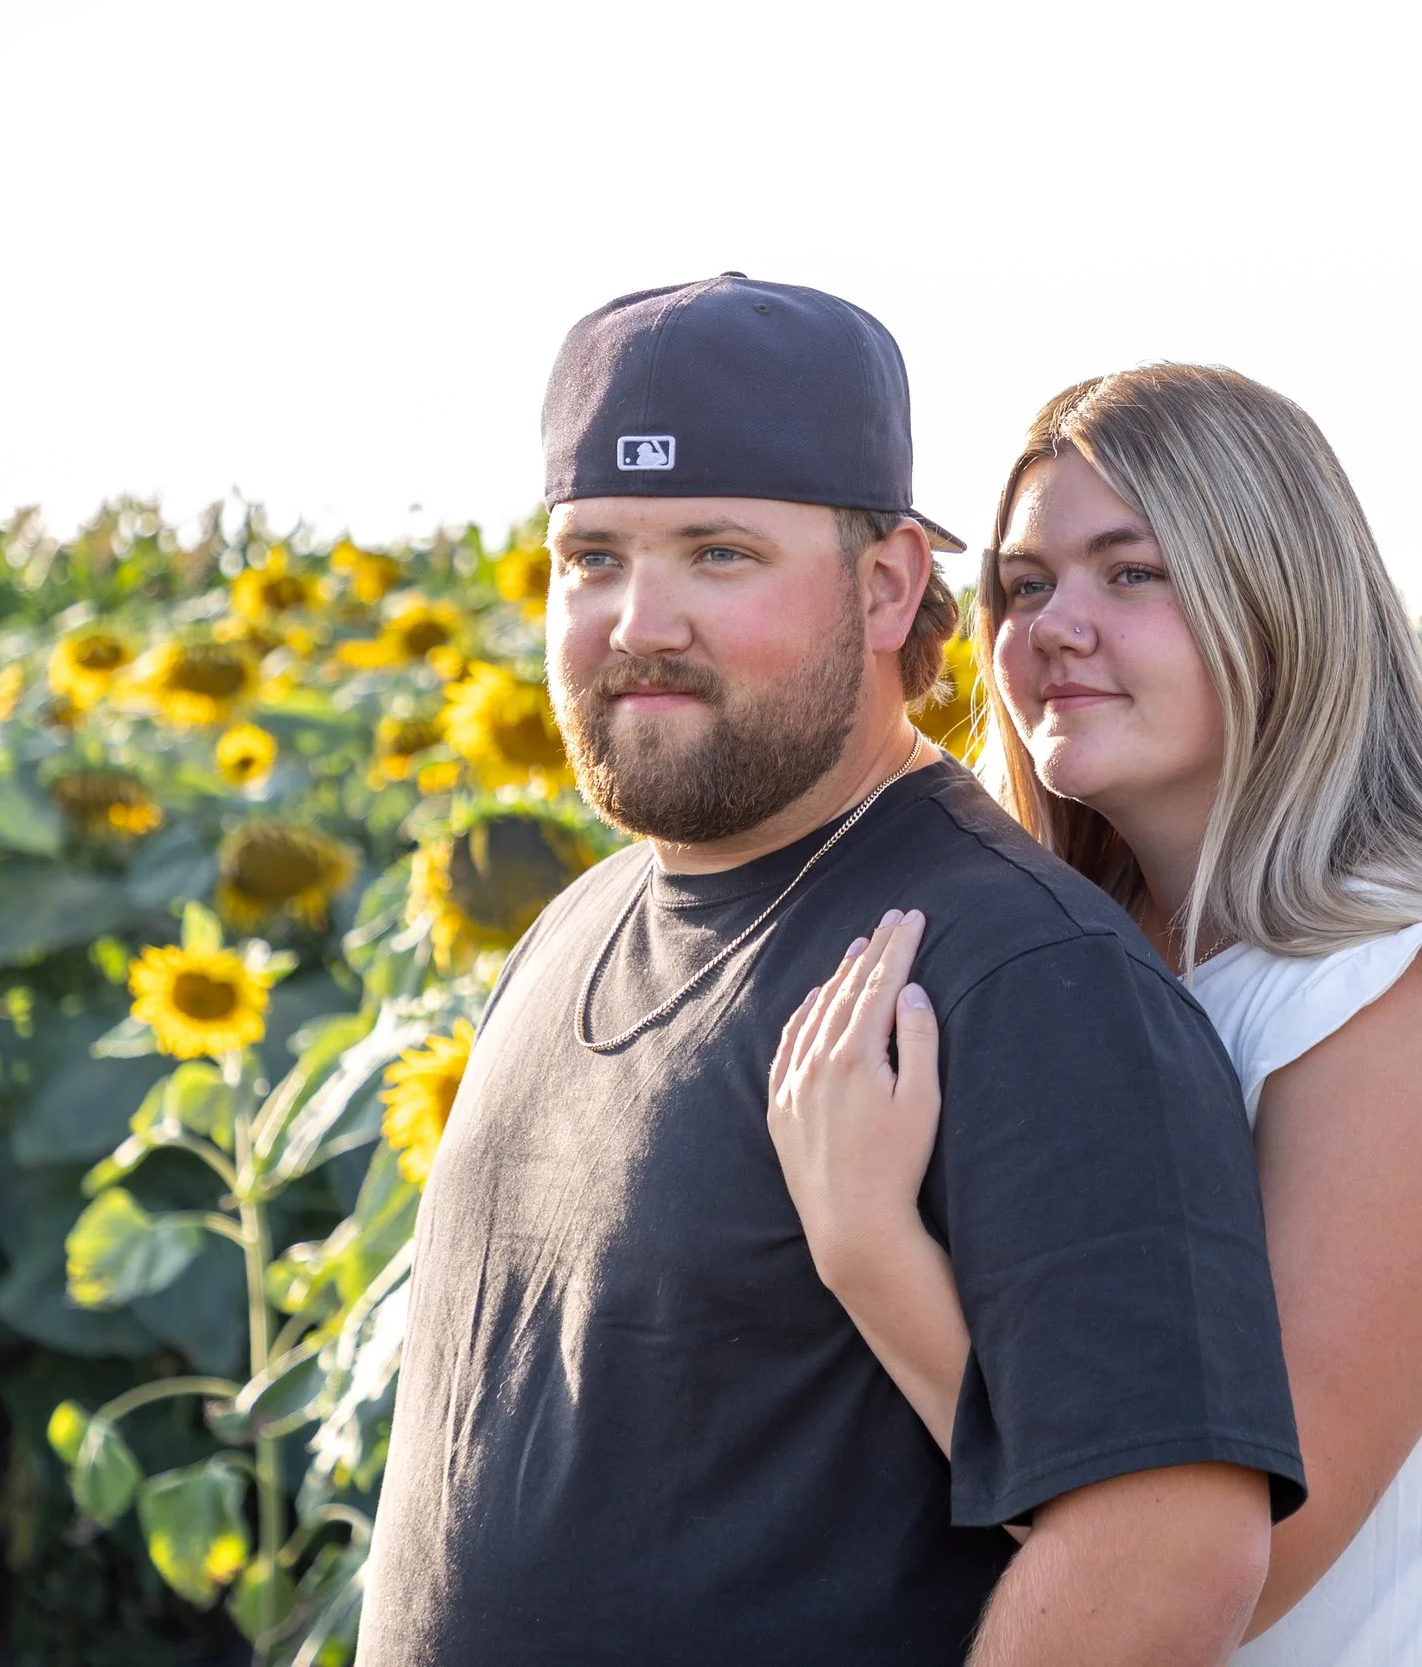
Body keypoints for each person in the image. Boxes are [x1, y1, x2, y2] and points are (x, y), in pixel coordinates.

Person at [355, 279, 1305, 1667]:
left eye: (719, 553)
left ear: (887, 586)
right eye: (593, 557)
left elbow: (1166, 1550)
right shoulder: (575, 923)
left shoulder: (1019, 978)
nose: (637, 621)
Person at [768, 364, 1422, 1665]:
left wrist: (869, 1246)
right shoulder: (1105, 967)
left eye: (1130, 572)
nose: (1055, 627)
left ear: (1277, 600)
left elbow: (1221, 1568)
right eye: (1024, 586)